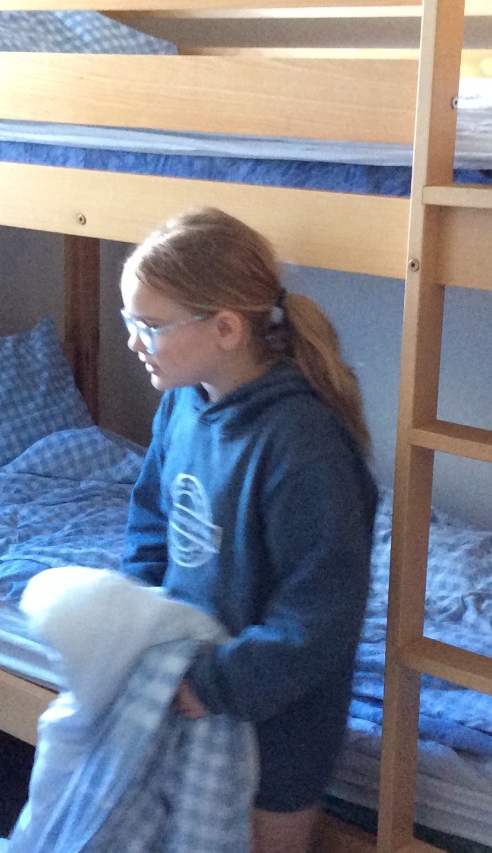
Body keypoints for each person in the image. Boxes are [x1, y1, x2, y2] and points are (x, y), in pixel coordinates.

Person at [118, 207, 378, 852]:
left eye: (149, 326)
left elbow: (319, 617)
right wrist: (136, 613)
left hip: (279, 710)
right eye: (129, 321)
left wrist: (217, 684)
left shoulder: (303, 446)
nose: (133, 342)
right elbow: (152, 522)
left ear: (227, 328)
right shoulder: (182, 405)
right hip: (194, 676)